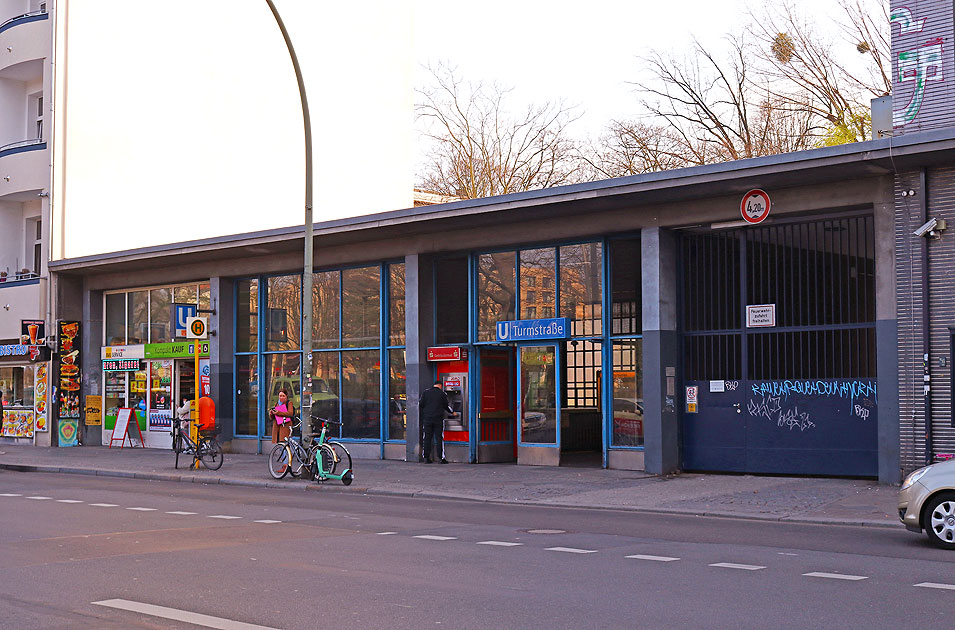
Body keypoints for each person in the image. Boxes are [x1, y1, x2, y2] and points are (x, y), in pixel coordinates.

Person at [419, 378, 453, 464]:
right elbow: (446, 406)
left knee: (427, 438)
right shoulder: (442, 394)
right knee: (439, 438)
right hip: (438, 419)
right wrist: (453, 412)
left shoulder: (425, 392)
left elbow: (421, 404)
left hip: (427, 419)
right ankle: (441, 458)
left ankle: (426, 458)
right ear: (440, 386)